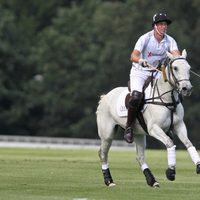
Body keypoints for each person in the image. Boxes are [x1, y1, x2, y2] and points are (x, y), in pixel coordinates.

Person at [124, 13, 180, 143]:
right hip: (140, 72)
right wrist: (140, 60)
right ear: (155, 26)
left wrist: (179, 60)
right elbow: (133, 56)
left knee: (173, 93)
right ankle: (129, 127)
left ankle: (169, 126)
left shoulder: (170, 40)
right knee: (137, 96)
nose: (164, 27)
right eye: (161, 24)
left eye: (165, 24)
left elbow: (176, 53)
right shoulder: (145, 38)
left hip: (157, 72)